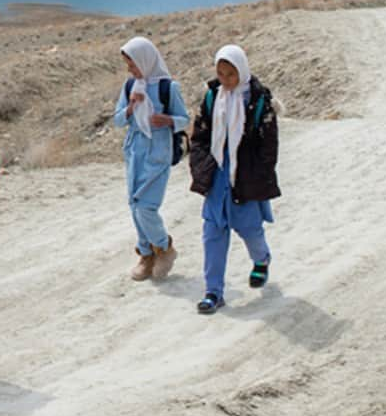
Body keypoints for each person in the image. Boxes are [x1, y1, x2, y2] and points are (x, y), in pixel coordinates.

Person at [188, 44, 280, 314]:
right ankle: (213, 292)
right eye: (221, 73)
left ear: (241, 71)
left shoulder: (258, 100)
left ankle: (261, 260)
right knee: (212, 233)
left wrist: (260, 177)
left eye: (231, 74)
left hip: (245, 177)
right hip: (217, 175)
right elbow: (200, 137)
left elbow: (268, 146)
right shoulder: (212, 97)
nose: (226, 80)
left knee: (249, 228)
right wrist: (200, 168)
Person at [114, 37, 191, 281]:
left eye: (133, 65)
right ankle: (146, 255)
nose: (131, 70)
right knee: (135, 204)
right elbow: (117, 120)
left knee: (147, 206)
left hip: (159, 150)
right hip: (135, 150)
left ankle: (164, 247)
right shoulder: (130, 87)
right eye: (129, 66)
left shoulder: (169, 88)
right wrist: (129, 108)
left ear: (146, 61)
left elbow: (185, 119)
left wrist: (168, 121)